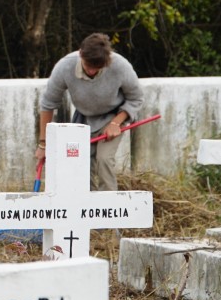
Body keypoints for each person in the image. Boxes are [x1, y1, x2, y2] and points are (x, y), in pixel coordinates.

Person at [35, 33, 143, 191]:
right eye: (88, 66)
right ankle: (86, 209)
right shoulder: (65, 66)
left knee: (104, 159)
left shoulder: (120, 66)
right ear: (81, 54)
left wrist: (116, 123)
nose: (92, 71)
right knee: (80, 162)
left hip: (112, 116)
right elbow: (48, 104)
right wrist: (43, 144)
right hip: (83, 119)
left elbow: (136, 98)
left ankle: (108, 208)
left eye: (97, 68)